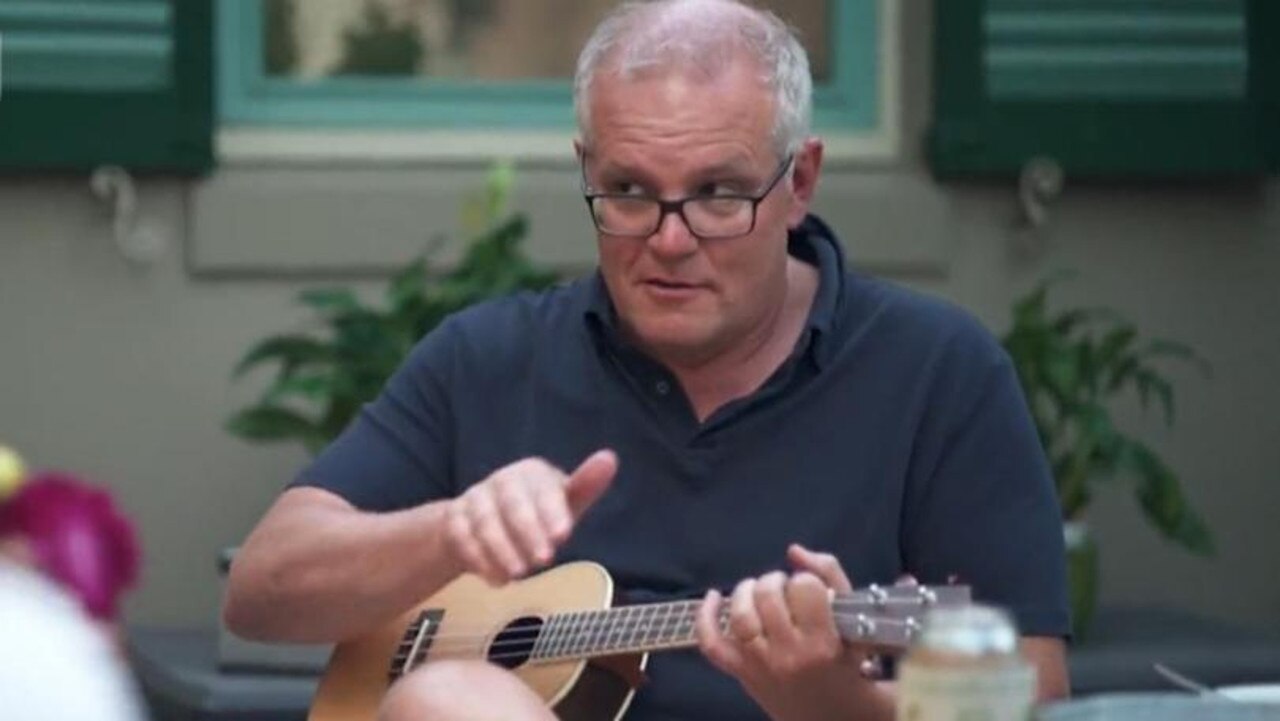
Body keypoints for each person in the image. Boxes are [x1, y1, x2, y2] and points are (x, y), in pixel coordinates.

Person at [223, 1, 1071, 719]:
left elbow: (1032, 691)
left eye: (717, 193)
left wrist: (835, 703)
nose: (669, 241)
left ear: (801, 180)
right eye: (628, 192)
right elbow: (261, 590)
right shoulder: (489, 357)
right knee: (449, 699)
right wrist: (449, 531)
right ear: (585, 170)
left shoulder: (939, 372)